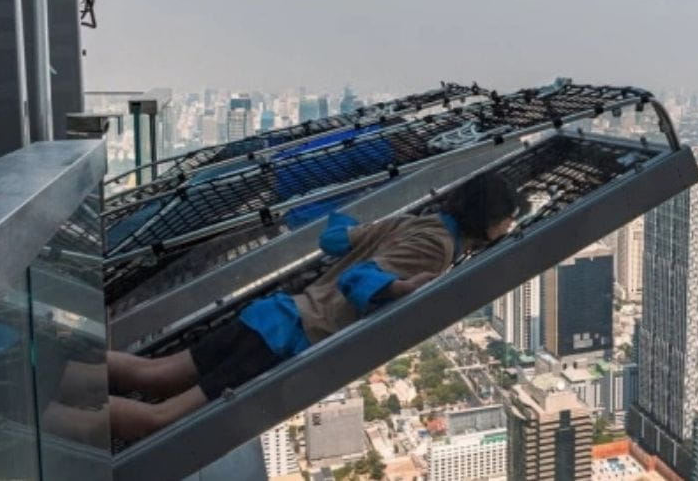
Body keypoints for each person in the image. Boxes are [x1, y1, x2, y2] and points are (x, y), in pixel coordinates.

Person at [108, 172, 522, 441]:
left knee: (155, 374)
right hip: (288, 334)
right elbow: (358, 280)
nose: (508, 228)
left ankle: (56, 370)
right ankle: (46, 423)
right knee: (160, 420)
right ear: (488, 218)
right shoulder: (437, 246)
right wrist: (400, 288)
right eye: (507, 219)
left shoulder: (420, 222)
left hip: (274, 314)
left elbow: (336, 239)